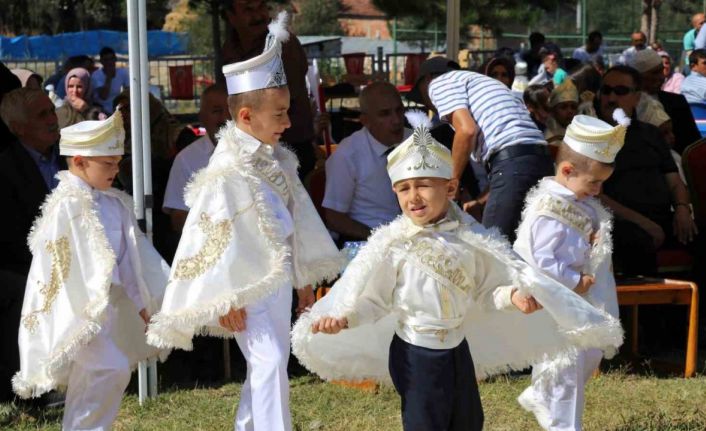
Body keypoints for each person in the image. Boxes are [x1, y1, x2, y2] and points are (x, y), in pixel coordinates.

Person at [292, 111, 623, 431]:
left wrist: (512, 297)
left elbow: (485, 289)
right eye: (404, 188)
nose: (414, 197)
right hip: (414, 352)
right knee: (426, 422)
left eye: (423, 185)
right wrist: (345, 318)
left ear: (449, 189)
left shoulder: (471, 237)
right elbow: (374, 300)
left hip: (456, 349)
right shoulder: (393, 245)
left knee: (467, 421)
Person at [147, 13, 342, 431]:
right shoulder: (226, 171)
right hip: (245, 288)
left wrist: (303, 277)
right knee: (269, 362)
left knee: (268, 364)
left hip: (276, 284)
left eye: (288, 112)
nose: (288, 123)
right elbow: (213, 236)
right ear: (246, 117)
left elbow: (296, 221)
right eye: (280, 115)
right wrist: (225, 297)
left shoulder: (280, 162)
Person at [12, 110, 169, 430]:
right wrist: (81, 313)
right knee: (109, 368)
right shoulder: (65, 205)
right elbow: (57, 268)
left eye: (117, 162)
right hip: (79, 313)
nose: (116, 169)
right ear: (80, 162)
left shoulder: (115, 204)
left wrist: (143, 304)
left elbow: (131, 260)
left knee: (97, 380)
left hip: (107, 309)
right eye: (107, 163)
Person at [515, 112, 628, 431]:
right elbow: (541, 260)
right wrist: (574, 281)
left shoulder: (574, 200)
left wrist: (590, 241)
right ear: (567, 170)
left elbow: (572, 240)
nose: (596, 190)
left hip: (578, 298)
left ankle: (540, 393)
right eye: (593, 182)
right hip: (559, 299)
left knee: (588, 354)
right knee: (569, 361)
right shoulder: (550, 209)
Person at [409, 56, 554, 241]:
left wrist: (451, 183)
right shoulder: (481, 83)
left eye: (423, 98)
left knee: (493, 249)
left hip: (514, 163)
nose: (428, 104)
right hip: (540, 160)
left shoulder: (438, 84)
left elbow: (467, 130)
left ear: (427, 80)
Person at [595, 65, 700, 277]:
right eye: (606, 91)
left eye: (621, 91)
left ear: (636, 97)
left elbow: (674, 181)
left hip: (662, 217)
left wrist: (681, 209)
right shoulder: (591, 137)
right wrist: (645, 224)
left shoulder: (651, 134)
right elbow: (596, 195)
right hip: (618, 222)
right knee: (637, 241)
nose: (611, 97)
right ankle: (647, 309)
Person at [0, 87, 64, 402]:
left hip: (77, 254)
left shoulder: (69, 155)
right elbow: (11, 236)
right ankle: (38, 385)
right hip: (27, 263)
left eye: (52, 111)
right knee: (26, 291)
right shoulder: (4, 169)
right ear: (18, 127)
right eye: (43, 115)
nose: (53, 120)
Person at [222, 0, 317, 179]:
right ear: (231, 17)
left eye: (261, 8)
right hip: (250, 149)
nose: (258, 16)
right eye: (249, 9)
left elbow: (281, 99)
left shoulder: (282, 44)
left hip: (290, 149)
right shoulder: (229, 48)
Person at [322, 82, 407, 243]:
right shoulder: (347, 155)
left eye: (399, 110)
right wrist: (381, 238)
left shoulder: (416, 141)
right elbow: (334, 218)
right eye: (385, 114)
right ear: (365, 120)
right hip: (368, 241)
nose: (396, 120)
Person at [163, 84, 231, 232]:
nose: (226, 118)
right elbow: (178, 216)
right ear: (202, 118)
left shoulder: (257, 153)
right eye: (216, 111)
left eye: (231, 111)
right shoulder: (186, 159)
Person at [629, 49, 701, 153]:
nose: (661, 77)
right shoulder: (624, 105)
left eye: (661, 71)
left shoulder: (677, 102)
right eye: (654, 73)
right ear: (638, 77)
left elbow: (692, 144)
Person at [91, 47, 130, 114]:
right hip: (100, 110)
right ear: (101, 61)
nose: (109, 62)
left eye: (111, 59)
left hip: (117, 108)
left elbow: (128, 91)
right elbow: (103, 96)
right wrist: (109, 77)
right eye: (106, 60)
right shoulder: (96, 75)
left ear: (115, 59)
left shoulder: (123, 72)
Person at [545, 79, 579, 151]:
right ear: (553, 111)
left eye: (573, 107)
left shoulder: (581, 136)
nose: (570, 111)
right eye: (563, 107)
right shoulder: (549, 141)